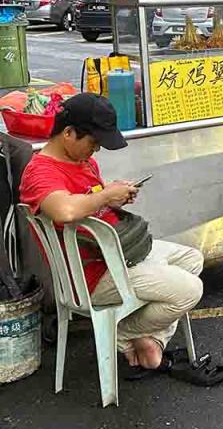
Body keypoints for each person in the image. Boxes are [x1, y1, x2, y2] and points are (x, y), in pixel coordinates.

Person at [20, 94, 206, 374]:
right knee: (190, 290)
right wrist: (106, 194)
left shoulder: (84, 162)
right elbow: (66, 211)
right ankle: (121, 333)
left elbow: (90, 202)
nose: (95, 151)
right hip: (91, 275)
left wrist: (111, 199)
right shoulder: (40, 172)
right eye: (93, 143)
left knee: (193, 259)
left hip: (116, 253)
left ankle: (148, 338)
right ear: (68, 133)